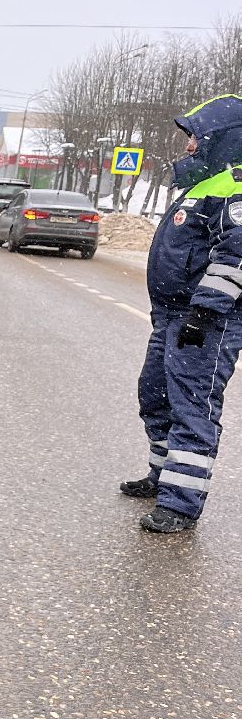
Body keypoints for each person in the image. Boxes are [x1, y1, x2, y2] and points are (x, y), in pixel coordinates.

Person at [123, 93, 242, 533]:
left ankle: (181, 504)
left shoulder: (236, 186)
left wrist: (205, 312)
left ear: (224, 138)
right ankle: (161, 477)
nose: (189, 145)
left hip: (208, 322)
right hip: (171, 316)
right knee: (154, 394)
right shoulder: (205, 183)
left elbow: (236, 256)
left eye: (196, 137)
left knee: (193, 407)